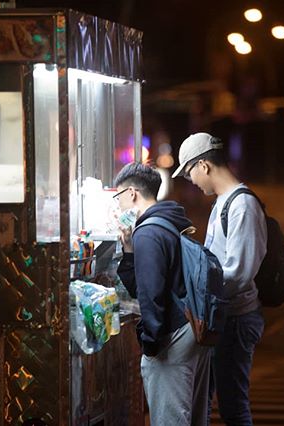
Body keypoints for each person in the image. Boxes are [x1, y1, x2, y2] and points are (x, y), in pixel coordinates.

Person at [173, 132, 267, 425]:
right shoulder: (222, 203)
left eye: (190, 173)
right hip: (222, 317)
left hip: (236, 319)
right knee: (212, 400)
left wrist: (198, 291)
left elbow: (239, 273)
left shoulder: (242, 206)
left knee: (233, 407)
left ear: (204, 165)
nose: (192, 181)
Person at [115, 162, 211, 426]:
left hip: (173, 337)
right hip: (192, 329)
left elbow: (150, 296)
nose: (119, 204)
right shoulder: (170, 222)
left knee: (170, 418)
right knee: (192, 416)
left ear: (132, 193)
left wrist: (150, 345)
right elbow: (151, 284)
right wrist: (129, 250)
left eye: (118, 196)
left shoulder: (148, 232)